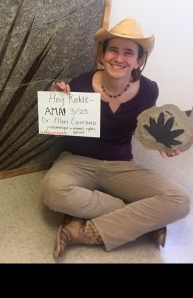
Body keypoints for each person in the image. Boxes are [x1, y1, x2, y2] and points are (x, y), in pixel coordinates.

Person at [41, 18, 191, 259]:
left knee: (181, 200)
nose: (119, 58)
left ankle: (85, 230)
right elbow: (56, 126)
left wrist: (165, 145)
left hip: (121, 164)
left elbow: (146, 128)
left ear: (138, 61)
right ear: (102, 55)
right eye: (113, 50)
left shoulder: (149, 90)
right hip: (78, 161)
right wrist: (55, 99)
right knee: (53, 189)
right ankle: (140, 218)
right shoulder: (79, 84)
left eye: (128, 53)